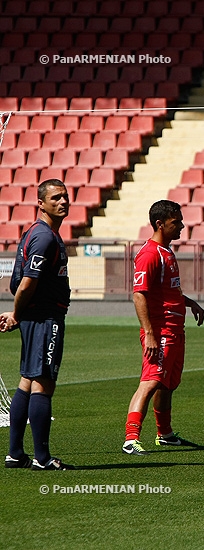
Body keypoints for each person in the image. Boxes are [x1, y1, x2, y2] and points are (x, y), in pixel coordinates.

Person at [122, 200, 204, 456]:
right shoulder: (149, 254)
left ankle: (165, 434)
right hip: (160, 332)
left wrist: (189, 303)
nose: (181, 226)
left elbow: (167, 291)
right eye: (176, 222)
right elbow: (139, 295)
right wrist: (149, 333)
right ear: (160, 224)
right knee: (150, 381)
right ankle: (131, 438)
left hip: (175, 329)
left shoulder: (167, 252)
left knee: (168, 384)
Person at [1, 179, 74, 470]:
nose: (64, 201)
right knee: (43, 383)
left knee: (27, 380)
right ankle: (42, 458)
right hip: (44, 318)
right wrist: (18, 313)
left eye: (66, 196)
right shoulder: (44, 236)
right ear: (41, 203)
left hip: (35, 315)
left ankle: (15, 453)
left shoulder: (35, 232)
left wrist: (19, 312)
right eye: (56, 197)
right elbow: (27, 282)